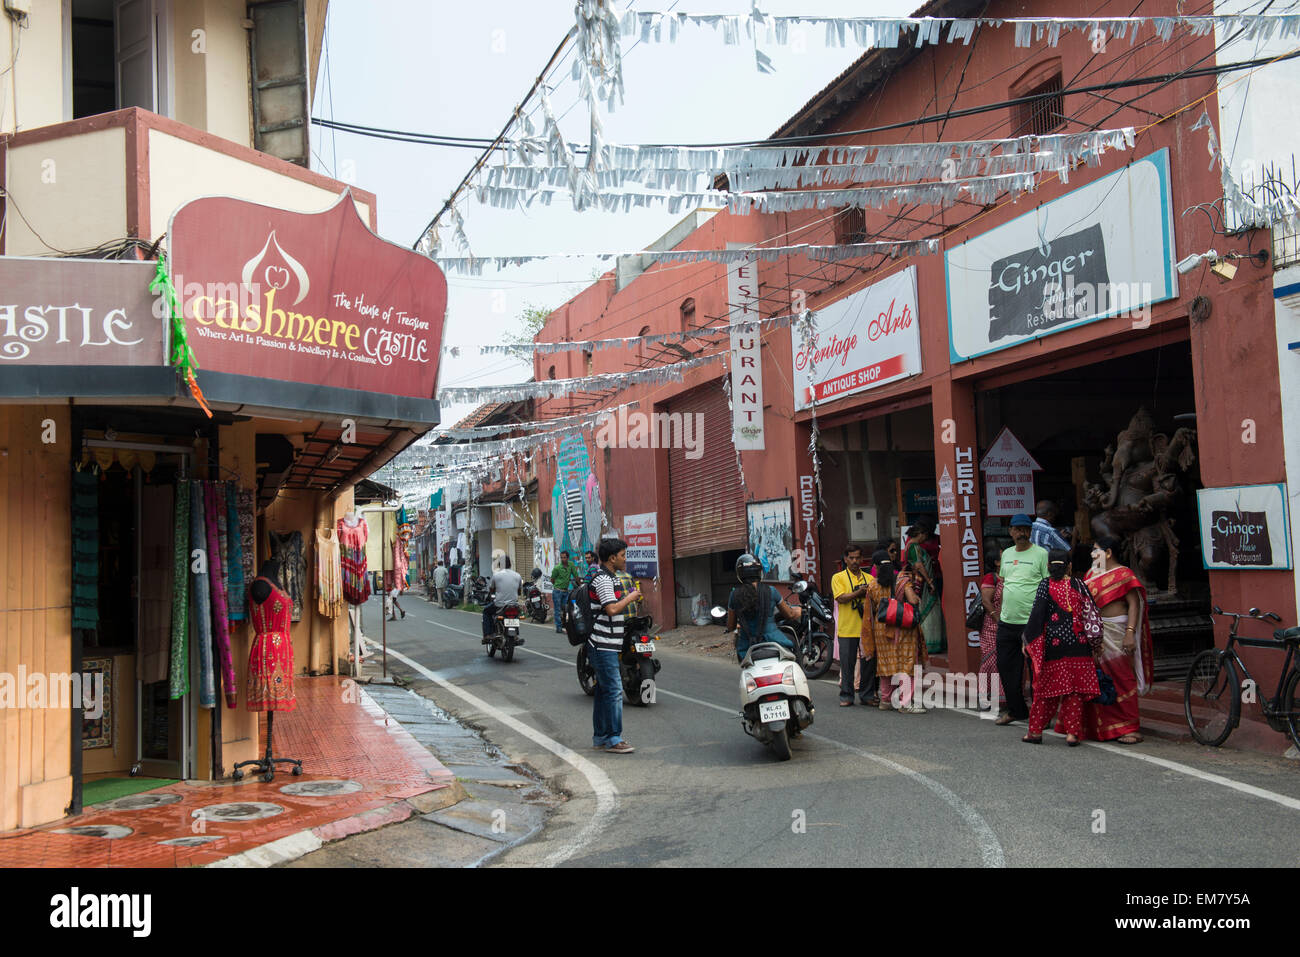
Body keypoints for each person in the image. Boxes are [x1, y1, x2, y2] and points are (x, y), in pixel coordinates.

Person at [1021, 550, 1102, 745]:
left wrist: (1028, 643)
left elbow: (1037, 617)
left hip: (1054, 646)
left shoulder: (1045, 585)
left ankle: (1035, 732)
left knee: (1046, 691)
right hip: (1079, 645)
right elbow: (1093, 614)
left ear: (1048, 566)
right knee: (1073, 691)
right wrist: (1096, 645)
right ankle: (1072, 734)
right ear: (1070, 566)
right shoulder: (1080, 584)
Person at [1078, 536, 1154, 744]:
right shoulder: (1090, 575)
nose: (1092, 555)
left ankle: (1129, 727)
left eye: (1096, 551)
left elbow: (1134, 604)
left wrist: (1130, 632)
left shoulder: (1124, 574)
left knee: (1121, 677)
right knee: (1097, 678)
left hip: (1117, 631)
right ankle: (1099, 728)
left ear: (1108, 553)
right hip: (1096, 633)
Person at [994, 513, 1049, 726]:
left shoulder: (1041, 554)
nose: (1021, 533)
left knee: (1036, 670)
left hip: (1032, 623)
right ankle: (1017, 710)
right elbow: (1004, 581)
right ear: (1011, 532)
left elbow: (1046, 586)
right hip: (1007, 622)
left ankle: (1040, 714)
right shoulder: (1007, 554)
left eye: (1025, 529)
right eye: (1017, 529)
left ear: (1030, 531)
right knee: (1007, 668)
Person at [589, 538, 641, 754]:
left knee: (603, 691)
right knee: (614, 691)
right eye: (622, 555)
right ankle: (613, 739)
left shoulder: (613, 578)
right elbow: (611, 609)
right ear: (612, 558)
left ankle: (601, 736)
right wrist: (630, 598)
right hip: (602, 644)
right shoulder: (603, 579)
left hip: (609, 643)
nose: (624, 559)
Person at [862, 550, 927, 713]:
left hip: (881, 628)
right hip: (902, 628)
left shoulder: (872, 585)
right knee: (907, 663)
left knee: (886, 664)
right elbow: (912, 600)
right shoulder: (902, 581)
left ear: (875, 566)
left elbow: (869, 612)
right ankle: (905, 703)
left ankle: (885, 700)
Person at [726, 553, 799, 663]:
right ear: (759, 571)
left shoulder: (734, 595)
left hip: (746, 648)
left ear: (740, 574)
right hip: (774, 640)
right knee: (793, 642)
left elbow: (731, 626)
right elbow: (790, 615)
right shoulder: (771, 591)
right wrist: (799, 611)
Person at [830, 544, 878, 707]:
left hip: (866, 629)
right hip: (847, 628)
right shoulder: (838, 577)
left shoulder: (869, 578)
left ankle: (866, 695)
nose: (855, 561)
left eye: (858, 558)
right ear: (845, 559)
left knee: (868, 664)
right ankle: (846, 696)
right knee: (848, 664)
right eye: (851, 558)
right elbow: (841, 598)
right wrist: (859, 593)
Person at [905, 519, 944, 654]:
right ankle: (929, 643)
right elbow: (919, 565)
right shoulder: (914, 547)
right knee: (929, 613)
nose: (926, 538)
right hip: (923, 585)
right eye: (926, 535)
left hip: (922, 583)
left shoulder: (910, 546)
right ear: (920, 533)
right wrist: (930, 582)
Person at [978, 545, 1004, 708]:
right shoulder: (991, 578)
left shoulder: (1009, 576)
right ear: (996, 562)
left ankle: (1003, 697)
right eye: (1003, 557)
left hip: (1008, 623)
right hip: (991, 625)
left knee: (1004, 661)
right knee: (990, 661)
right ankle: (986, 696)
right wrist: (997, 618)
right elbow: (986, 601)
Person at [481, 556, 524, 645]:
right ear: (510, 564)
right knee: (515, 615)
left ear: (500, 565)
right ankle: (515, 635)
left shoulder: (496, 575)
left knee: (486, 611)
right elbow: (519, 591)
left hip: (499, 605)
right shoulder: (517, 575)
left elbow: (492, 590)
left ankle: (487, 634)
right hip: (514, 604)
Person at [550, 550, 578, 634]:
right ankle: (558, 628)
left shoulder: (571, 565)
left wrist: (580, 585)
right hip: (557, 591)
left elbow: (576, 576)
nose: (563, 559)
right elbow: (552, 579)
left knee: (567, 609)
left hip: (566, 592)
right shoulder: (557, 568)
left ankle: (566, 626)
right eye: (561, 557)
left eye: (564, 557)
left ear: (568, 558)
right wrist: (558, 586)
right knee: (557, 610)